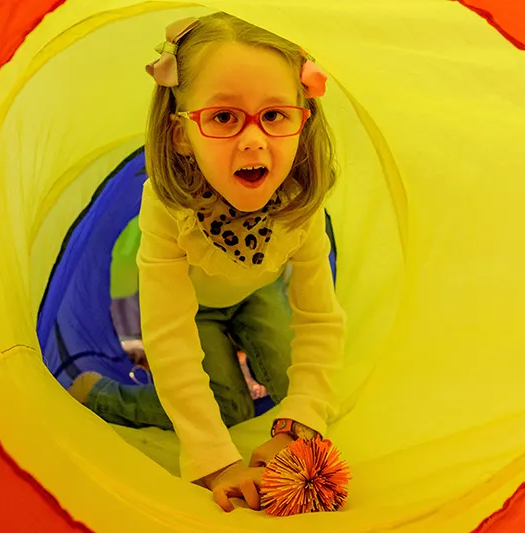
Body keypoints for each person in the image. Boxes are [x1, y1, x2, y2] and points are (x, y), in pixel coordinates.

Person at [66, 12, 345, 513]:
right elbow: (169, 337)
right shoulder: (167, 208)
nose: (254, 141)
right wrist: (216, 461)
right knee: (231, 409)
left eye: (276, 115)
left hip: (258, 291)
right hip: (194, 312)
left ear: (304, 119)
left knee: (297, 391)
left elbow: (320, 318)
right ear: (180, 136)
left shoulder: (301, 199)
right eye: (222, 118)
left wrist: (300, 421)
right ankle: (102, 395)